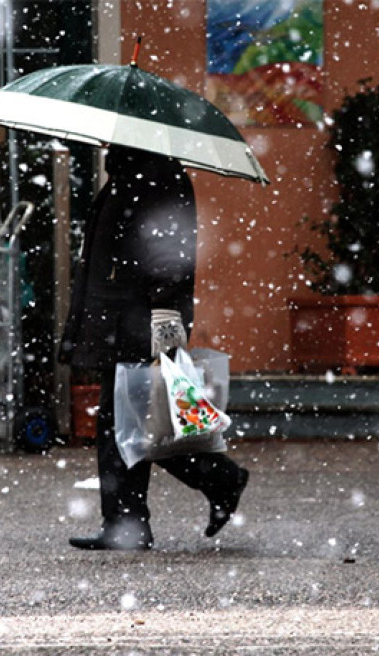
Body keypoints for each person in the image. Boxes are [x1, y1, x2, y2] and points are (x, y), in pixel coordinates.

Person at [59, 145, 250, 551]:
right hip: (122, 315)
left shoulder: (156, 176)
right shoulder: (130, 172)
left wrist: (163, 311)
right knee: (126, 423)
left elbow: (169, 250)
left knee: (138, 423)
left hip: (140, 318)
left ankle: (213, 482)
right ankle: (128, 523)